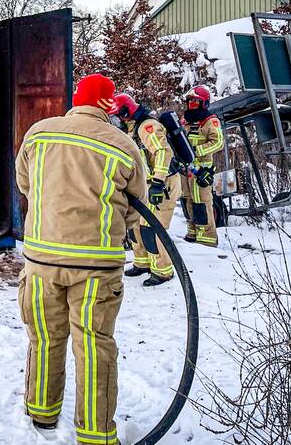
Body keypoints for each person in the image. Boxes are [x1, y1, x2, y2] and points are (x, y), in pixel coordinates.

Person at [15, 74, 146, 445]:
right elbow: (137, 208)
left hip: (41, 263)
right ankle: (95, 434)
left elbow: (25, 184)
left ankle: (41, 413)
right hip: (96, 268)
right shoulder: (123, 145)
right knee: (93, 344)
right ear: (109, 105)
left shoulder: (39, 133)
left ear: (77, 98)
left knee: (44, 337)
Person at [113, 93, 180, 287]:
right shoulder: (131, 129)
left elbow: (163, 152)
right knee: (136, 225)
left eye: (118, 115)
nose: (116, 119)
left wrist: (158, 182)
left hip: (163, 184)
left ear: (126, 112)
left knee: (153, 228)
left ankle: (162, 271)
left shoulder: (147, 126)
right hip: (146, 185)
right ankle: (142, 263)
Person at [179, 85, 223, 246]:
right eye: (190, 101)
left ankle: (207, 238)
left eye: (195, 102)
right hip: (185, 168)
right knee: (186, 200)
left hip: (201, 169)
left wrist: (196, 151)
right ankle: (192, 231)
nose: (192, 105)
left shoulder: (210, 121)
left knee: (201, 201)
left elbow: (218, 142)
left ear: (203, 103)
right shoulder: (184, 120)